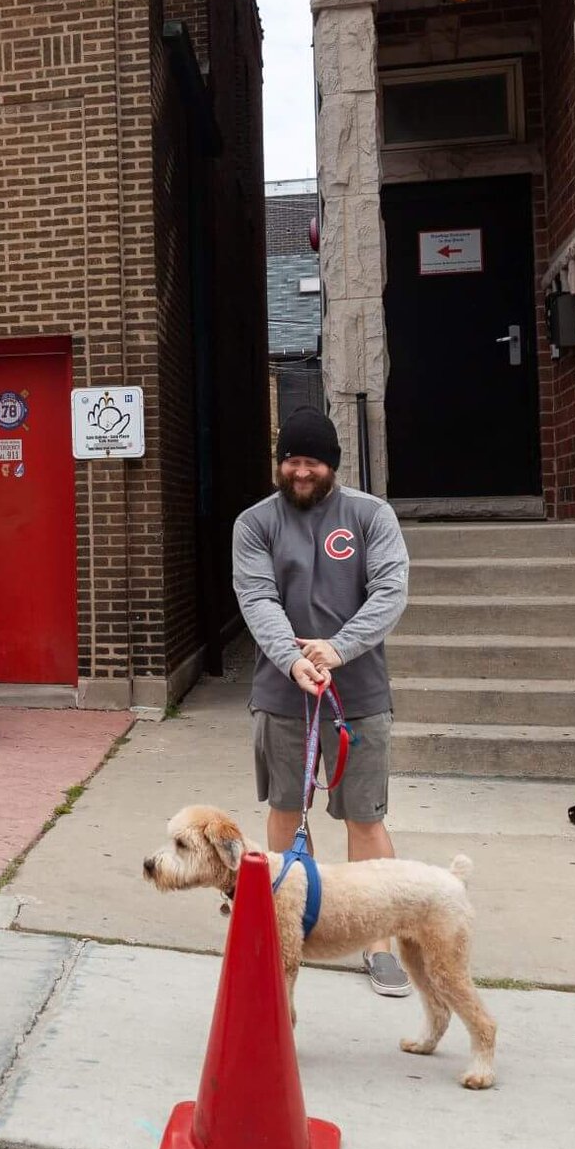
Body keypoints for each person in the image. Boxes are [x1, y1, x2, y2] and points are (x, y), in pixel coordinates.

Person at [232, 406, 411, 998]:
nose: (300, 471)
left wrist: (337, 650)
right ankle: (276, 924)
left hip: (358, 694)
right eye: (291, 459)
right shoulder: (255, 523)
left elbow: (390, 593)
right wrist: (293, 659)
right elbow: (257, 599)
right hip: (282, 694)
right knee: (286, 808)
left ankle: (378, 940)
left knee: (365, 816)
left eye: (311, 461)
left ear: (331, 464)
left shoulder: (370, 516)